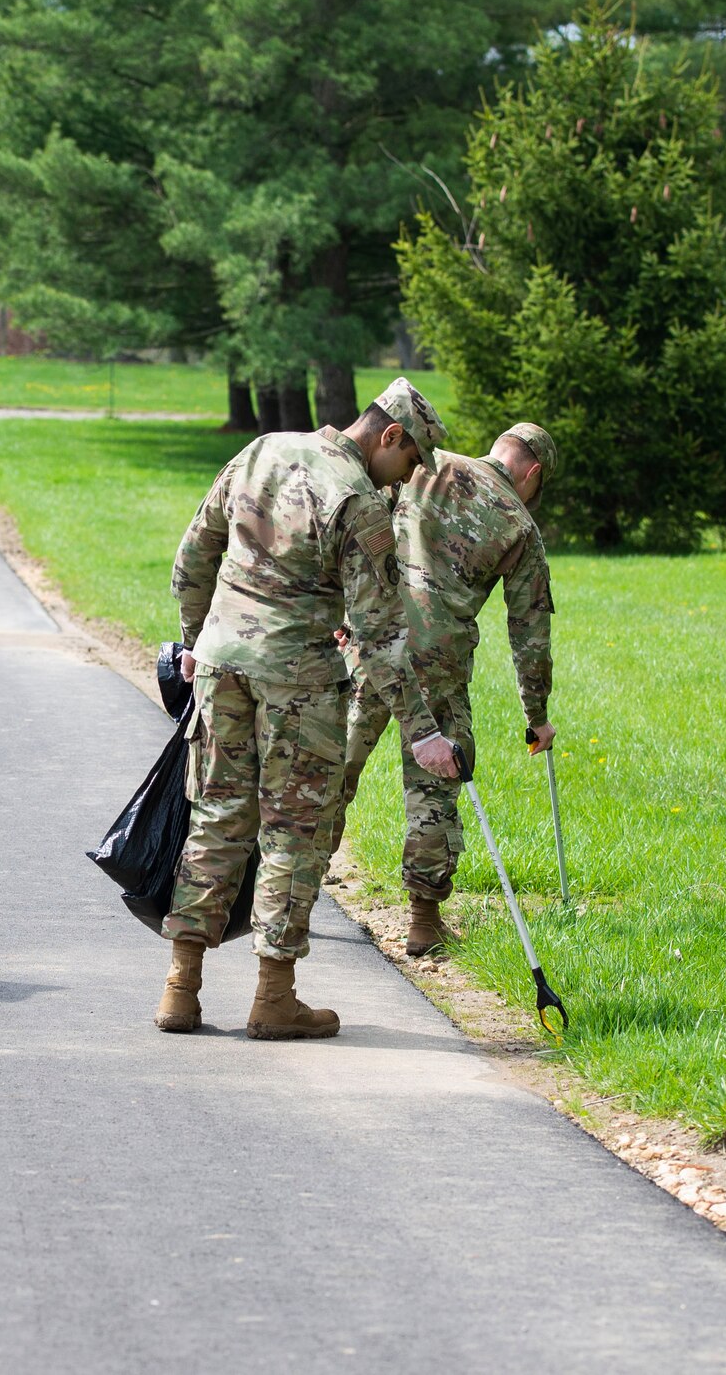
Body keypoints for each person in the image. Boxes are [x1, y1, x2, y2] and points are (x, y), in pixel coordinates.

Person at [160, 378, 462, 1039]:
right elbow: (381, 633)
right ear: (390, 436)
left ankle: (181, 989)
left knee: (215, 818)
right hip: (299, 684)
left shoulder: (263, 449)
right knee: (292, 836)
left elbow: (194, 554)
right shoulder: (358, 500)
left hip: (219, 666)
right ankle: (274, 999)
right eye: (411, 462)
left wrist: (194, 642)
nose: (409, 479)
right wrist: (423, 733)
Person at [327, 423, 558, 957]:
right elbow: (530, 631)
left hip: (372, 641)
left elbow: (361, 519)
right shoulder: (521, 527)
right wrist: (536, 714)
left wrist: (343, 610)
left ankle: (292, 893)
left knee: (335, 763)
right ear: (534, 474)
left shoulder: (423, 465)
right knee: (433, 787)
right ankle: (424, 923)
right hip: (440, 663)